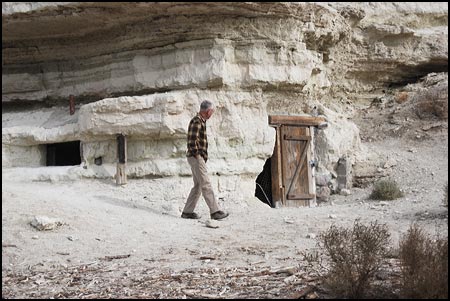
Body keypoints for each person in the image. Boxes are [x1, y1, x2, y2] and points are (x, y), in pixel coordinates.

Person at [181, 100, 229, 220]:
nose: (212, 114)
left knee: (198, 185)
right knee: (206, 183)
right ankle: (215, 212)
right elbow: (192, 141)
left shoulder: (200, 121)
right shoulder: (197, 121)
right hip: (195, 157)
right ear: (208, 111)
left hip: (194, 157)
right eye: (211, 111)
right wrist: (198, 156)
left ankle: (187, 212)